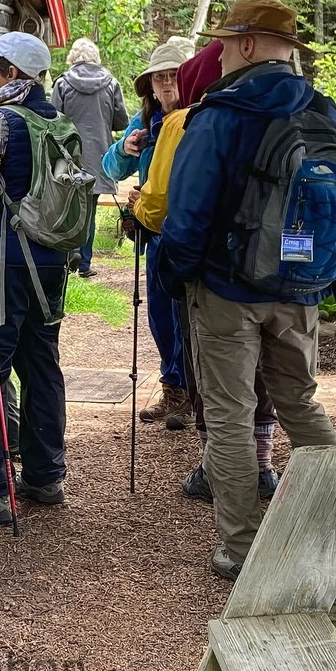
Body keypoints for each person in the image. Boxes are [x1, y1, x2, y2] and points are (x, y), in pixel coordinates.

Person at [161, 0, 336, 581]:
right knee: (301, 401)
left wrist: (176, 271)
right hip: (300, 285)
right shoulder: (320, 110)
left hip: (226, 288)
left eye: (220, 45)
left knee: (231, 414)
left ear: (242, 45)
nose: (213, 57)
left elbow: (187, 215)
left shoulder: (219, 114)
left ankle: (239, 549)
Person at [137, 40, 282, 502]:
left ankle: (216, 470)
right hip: (278, 266)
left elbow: (161, 207)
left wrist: (140, 215)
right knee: (265, 370)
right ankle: (263, 464)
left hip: (213, 270)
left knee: (214, 374)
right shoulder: (279, 113)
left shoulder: (188, 122)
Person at [0, 31, 71, 524]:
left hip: (2, 262)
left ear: (13, 74)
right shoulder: (61, 122)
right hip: (51, 261)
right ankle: (45, 475)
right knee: (42, 363)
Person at [102, 36, 193, 427]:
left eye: (174, 76)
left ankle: (195, 392)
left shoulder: (201, 117)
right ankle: (175, 389)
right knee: (160, 314)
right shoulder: (145, 123)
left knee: (189, 314)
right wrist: (125, 149)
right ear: (150, 86)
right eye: (159, 79)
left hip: (192, 233)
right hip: (155, 234)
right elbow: (109, 169)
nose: (167, 85)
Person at [51, 37, 128, 277]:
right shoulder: (111, 83)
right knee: (90, 210)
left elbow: (52, 119)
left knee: (67, 208)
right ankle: (84, 263)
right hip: (98, 155)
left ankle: (67, 255)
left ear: (73, 59)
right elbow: (122, 121)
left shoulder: (63, 83)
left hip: (68, 155)